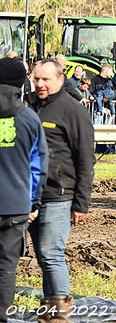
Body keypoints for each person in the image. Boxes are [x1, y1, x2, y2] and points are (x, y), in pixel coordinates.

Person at [28, 59, 95, 322]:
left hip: (60, 194)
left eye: (45, 79)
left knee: (51, 252)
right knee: (43, 257)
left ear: (59, 79)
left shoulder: (72, 111)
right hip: (34, 196)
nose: (40, 84)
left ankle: (60, 315)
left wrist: (82, 203)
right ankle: (49, 311)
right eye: (36, 79)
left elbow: (86, 159)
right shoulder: (31, 107)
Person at [0, 58, 48, 323]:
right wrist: (33, 202)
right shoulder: (30, 119)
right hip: (17, 206)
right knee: (6, 268)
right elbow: (39, 166)